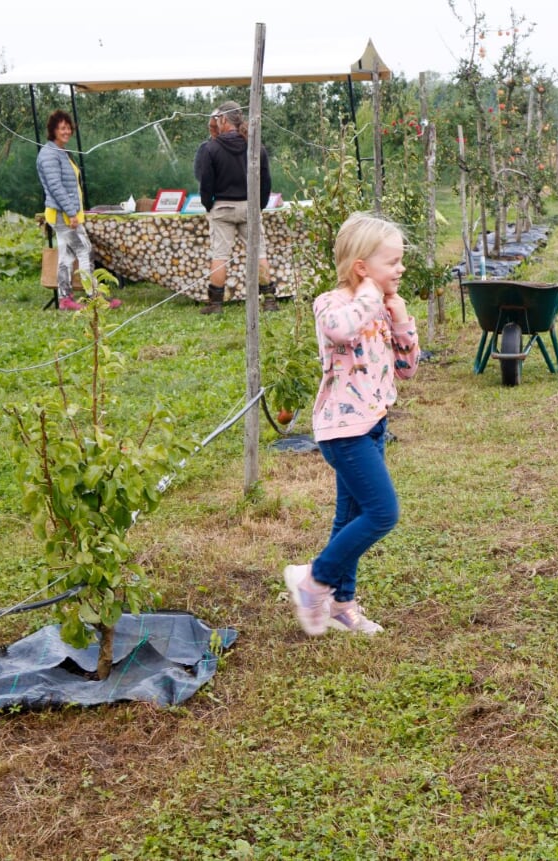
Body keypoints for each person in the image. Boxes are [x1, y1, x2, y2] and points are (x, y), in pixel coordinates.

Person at [283, 213, 420, 637]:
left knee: (350, 517)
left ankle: (342, 603)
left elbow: (407, 369)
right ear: (362, 268)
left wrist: (400, 320)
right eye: (392, 262)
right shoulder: (335, 303)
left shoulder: (378, 308)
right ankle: (315, 580)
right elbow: (340, 331)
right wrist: (369, 298)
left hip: (372, 424)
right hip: (343, 430)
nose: (400, 269)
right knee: (382, 513)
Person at [35, 110, 121, 312]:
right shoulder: (49, 154)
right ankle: (93, 296)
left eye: (68, 128)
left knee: (66, 256)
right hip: (63, 214)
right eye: (62, 128)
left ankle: (65, 299)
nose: (66, 131)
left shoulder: (61, 152)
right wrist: (72, 213)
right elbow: (56, 187)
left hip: (67, 213)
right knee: (85, 250)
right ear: (53, 130)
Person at [196, 100, 277, 314]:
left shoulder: (211, 148)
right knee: (259, 253)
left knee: (219, 255)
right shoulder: (255, 146)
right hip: (249, 206)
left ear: (223, 120)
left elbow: (206, 183)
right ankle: (269, 300)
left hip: (222, 208)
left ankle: (216, 305)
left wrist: (209, 206)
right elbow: (266, 180)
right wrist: (258, 206)